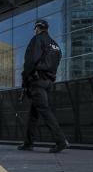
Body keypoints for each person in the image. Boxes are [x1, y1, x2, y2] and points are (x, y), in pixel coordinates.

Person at [18, 19, 69, 153]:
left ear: (37, 29)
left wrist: (25, 81)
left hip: (37, 81)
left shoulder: (37, 40)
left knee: (45, 110)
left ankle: (61, 141)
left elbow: (30, 61)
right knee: (34, 114)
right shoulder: (56, 45)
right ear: (47, 28)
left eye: (35, 29)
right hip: (49, 82)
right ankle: (28, 143)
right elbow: (56, 63)